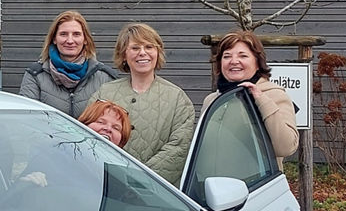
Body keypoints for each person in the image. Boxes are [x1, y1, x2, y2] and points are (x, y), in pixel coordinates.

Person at [89, 23, 193, 184]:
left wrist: (140, 179)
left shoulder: (177, 98)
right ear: (124, 54)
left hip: (158, 195)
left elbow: (178, 148)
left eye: (149, 47)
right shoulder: (105, 93)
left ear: (157, 52)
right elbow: (88, 136)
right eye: (135, 48)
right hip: (108, 188)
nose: (142, 53)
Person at [202, 30, 299, 168]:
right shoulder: (211, 100)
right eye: (227, 56)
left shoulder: (274, 95)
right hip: (211, 186)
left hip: (255, 187)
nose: (234, 61)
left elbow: (286, 147)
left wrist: (260, 100)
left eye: (243, 56)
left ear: (258, 62)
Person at [19, 10, 116, 117]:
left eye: (76, 34)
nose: (70, 40)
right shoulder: (35, 75)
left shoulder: (104, 77)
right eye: (63, 34)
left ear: (85, 39)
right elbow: (27, 118)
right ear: (54, 39)